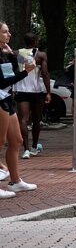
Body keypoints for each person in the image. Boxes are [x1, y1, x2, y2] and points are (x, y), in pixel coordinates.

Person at [0, 22, 38, 197]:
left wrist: (12, 56)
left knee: (16, 140)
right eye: (5, 32)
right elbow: (3, 82)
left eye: (8, 31)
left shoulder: (4, 53)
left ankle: (15, 182)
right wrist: (26, 73)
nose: (9, 35)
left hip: (7, 99)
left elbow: (11, 74)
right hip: (0, 98)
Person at [14, 32, 51, 158]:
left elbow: (12, 69)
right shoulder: (40, 55)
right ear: (35, 41)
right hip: (36, 91)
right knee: (36, 120)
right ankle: (35, 147)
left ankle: (26, 150)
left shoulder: (17, 53)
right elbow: (45, 73)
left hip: (21, 90)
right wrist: (49, 92)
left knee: (23, 120)